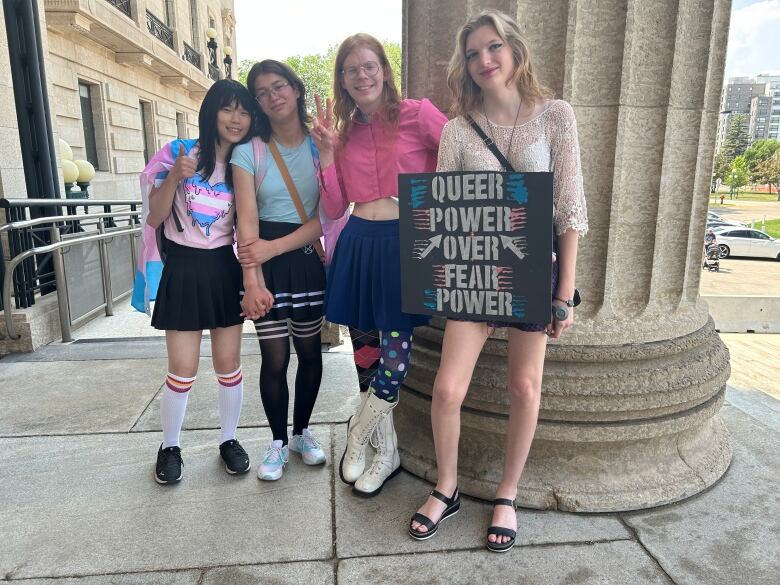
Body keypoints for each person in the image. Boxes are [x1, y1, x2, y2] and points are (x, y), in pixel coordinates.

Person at [407, 10, 588, 551]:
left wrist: (564, 296)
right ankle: (448, 485)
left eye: (492, 48)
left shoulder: (556, 117)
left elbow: (570, 210)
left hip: (533, 268)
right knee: (446, 389)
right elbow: (441, 205)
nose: (483, 60)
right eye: (472, 53)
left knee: (524, 386)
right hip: (474, 268)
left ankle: (507, 493)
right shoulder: (459, 130)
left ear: (514, 50)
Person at [311, 33, 447, 497]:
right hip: (359, 242)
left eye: (369, 66)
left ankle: (357, 433)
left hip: (405, 242)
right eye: (352, 69)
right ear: (343, 81)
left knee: (394, 358)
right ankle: (386, 454)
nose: (362, 75)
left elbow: (459, 156)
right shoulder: (342, 134)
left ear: (384, 70)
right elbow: (333, 206)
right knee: (364, 356)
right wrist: (327, 155)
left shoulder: (418, 113)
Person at [135, 79, 268, 484]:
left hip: (223, 270)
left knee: (229, 365)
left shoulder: (247, 165)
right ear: (211, 112)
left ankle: (229, 440)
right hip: (184, 269)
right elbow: (155, 218)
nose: (236, 118)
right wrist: (174, 177)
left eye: (244, 111)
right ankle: (169, 446)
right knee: (183, 369)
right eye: (228, 109)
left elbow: (248, 223)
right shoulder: (180, 154)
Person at [232, 60, 328, 481]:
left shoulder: (320, 143)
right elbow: (246, 221)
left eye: (279, 86)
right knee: (275, 357)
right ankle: (276, 442)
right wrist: (252, 281)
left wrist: (274, 248)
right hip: (262, 260)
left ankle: (302, 432)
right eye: (263, 92)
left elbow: (328, 213)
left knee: (309, 353)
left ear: (295, 88)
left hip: (303, 257)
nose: (273, 96)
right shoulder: (247, 151)